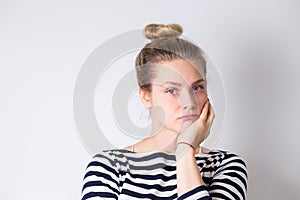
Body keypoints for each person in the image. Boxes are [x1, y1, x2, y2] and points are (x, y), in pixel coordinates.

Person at [80, 23, 248, 200]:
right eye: (172, 90)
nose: (189, 102)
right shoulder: (108, 167)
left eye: (197, 88)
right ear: (146, 97)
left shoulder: (225, 166)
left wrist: (185, 150)